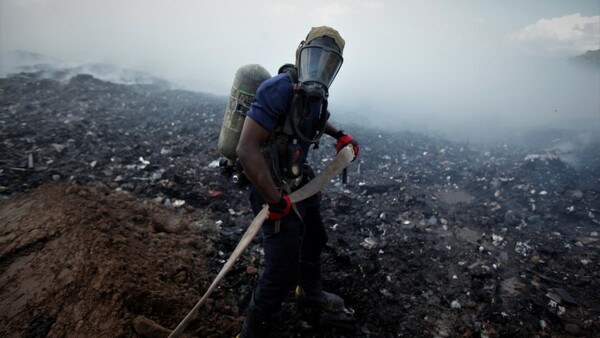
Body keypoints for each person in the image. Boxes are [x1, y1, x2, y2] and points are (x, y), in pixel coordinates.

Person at [236, 26, 360, 337]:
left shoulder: (313, 91)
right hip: (270, 186)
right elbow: (246, 148)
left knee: (314, 238)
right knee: (281, 270)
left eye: (328, 62)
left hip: (297, 181)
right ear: (300, 52)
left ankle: (309, 293)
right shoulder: (277, 89)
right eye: (315, 57)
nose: (320, 67)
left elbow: (316, 115)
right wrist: (275, 202)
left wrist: (339, 135)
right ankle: (251, 333)